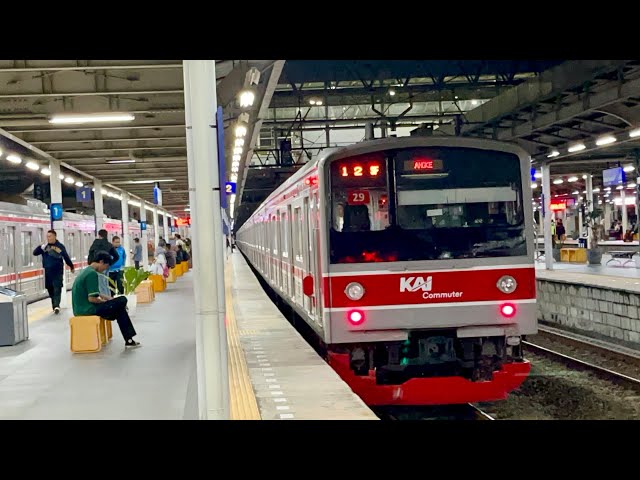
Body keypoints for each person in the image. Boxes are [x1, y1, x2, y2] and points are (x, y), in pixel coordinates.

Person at [72, 250, 140, 348]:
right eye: (106, 266)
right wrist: (105, 302)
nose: (105, 270)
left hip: (80, 309)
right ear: (101, 262)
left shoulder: (87, 271)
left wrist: (108, 298)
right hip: (87, 309)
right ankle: (129, 340)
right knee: (122, 300)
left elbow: (95, 293)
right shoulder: (92, 274)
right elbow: (92, 299)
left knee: (120, 309)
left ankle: (129, 340)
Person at [33, 230, 75, 314]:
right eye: (47, 236)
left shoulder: (60, 246)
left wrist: (71, 266)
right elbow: (35, 253)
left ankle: (56, 306)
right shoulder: (45, 247)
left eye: (50, 236)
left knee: (57, 287)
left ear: (55, 236)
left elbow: (66, 257)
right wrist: (39, 246)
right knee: (50, 287)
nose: (48, 238)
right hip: (48, 271)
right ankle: (54, 304)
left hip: (57, 270)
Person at [88, 229, 119, 295]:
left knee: (100, 285)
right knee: (105, 284)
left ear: (99, 235)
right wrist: (110, 264)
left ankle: (105, 301)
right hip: (106, 266)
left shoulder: (95, 243)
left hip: (98, 266)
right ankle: (109, 299)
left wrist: (90, 263)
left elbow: (90, 253)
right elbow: (117, 257)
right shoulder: (109, 245)